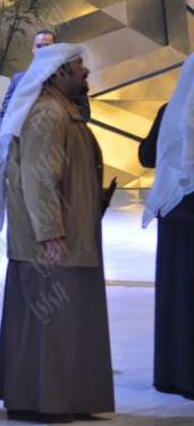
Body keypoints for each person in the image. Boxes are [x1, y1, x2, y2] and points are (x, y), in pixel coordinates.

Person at [0, 43, 114, 421]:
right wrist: (49, 231)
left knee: (65, 324)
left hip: (68, 235)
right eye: (79, 65)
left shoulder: (61, 110)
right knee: (50, 324)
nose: (85, 71)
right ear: (59, 73)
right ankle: (42, 403)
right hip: (49, 243)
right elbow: (39, 177)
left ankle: (65, 399)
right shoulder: (47, 113)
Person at [139, 53, 194, 400]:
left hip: (174, 211)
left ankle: (173, 374)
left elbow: (145, 156)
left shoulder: (170, 110)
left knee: (176, 296)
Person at [0, 29, 91, 145]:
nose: (43, 50)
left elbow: (84, 113)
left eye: (47, 46)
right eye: (39, 46)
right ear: (33, 50)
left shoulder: (69, 77)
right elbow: (5, 112)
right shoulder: (18, 80)